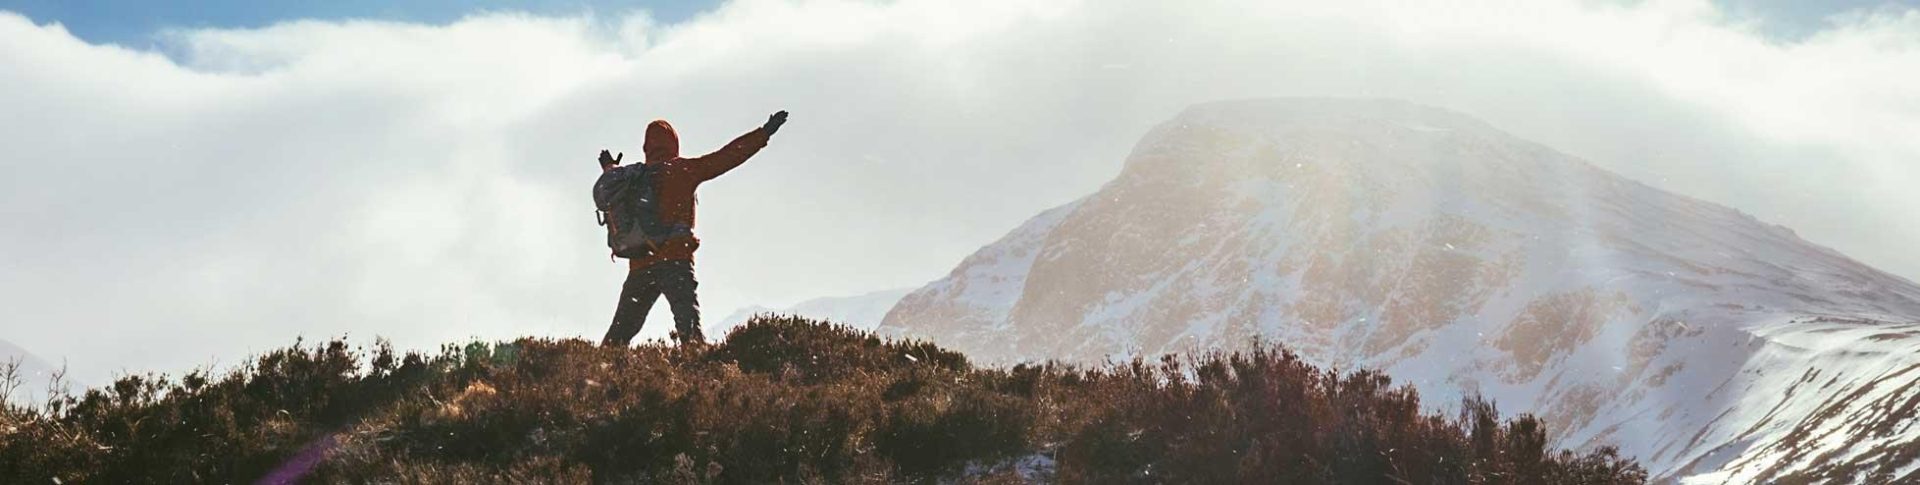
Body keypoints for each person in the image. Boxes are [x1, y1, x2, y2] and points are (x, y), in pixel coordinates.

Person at [600, 111, 789, 346]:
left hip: (641, 264)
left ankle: (593, 378)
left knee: (617, 338)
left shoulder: (633, 178)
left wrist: (610, 168)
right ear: (674, 143)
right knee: (690, 335)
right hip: (675, 261)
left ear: (646, 146)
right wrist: (763, 133)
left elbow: (618, 201)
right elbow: (727, 157)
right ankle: (699, 376)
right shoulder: (682, 170)